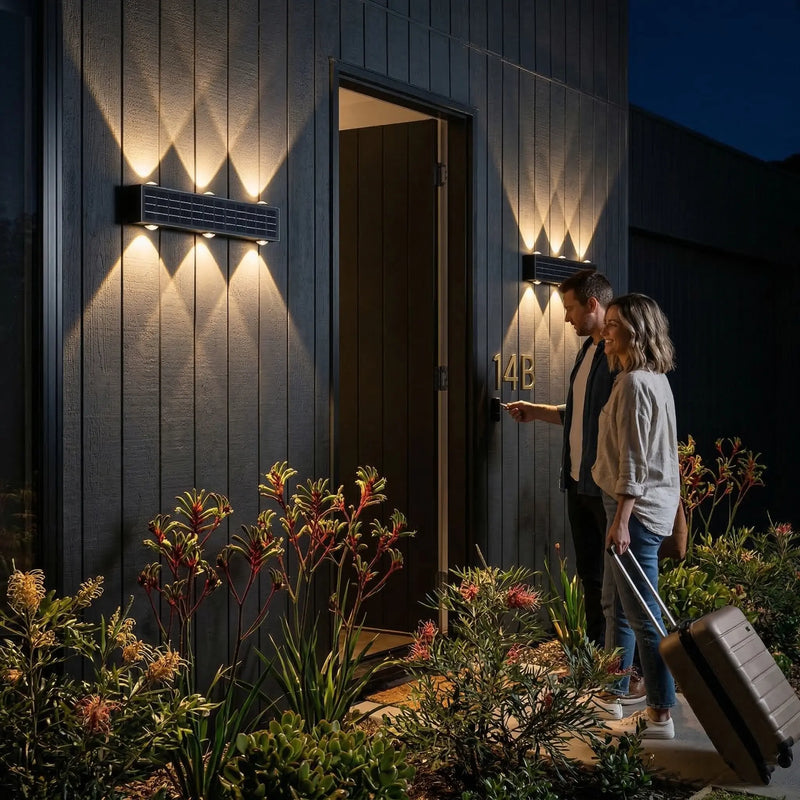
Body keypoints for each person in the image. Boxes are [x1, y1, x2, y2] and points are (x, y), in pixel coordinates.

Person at [591, 293, 680, 739]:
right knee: (619, 610)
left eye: (612, 324)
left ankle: (661, 713)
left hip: (636, 513)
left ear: (635, 332)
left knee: (643, 617)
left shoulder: (632, 385)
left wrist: (622, 519)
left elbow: (634, 461)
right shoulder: (652, 379)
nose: (604, 332)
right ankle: (616, 694)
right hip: (642, 509)